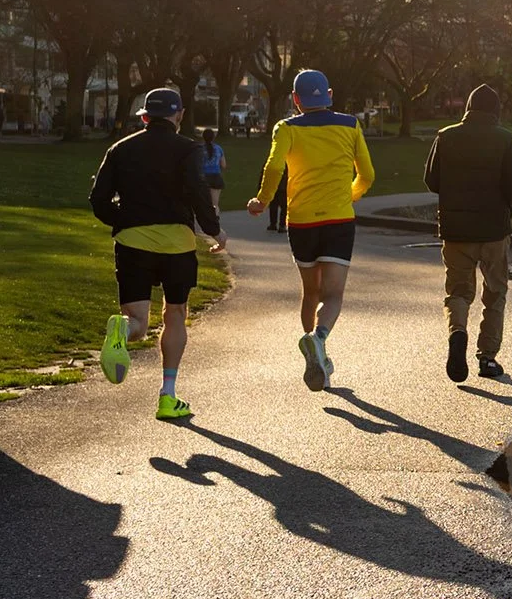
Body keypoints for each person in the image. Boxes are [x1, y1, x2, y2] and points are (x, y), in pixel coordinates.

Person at [89, 87, 225, 420]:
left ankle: (121, 331)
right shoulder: (188, 149)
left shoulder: (120, 148)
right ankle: (168, 396)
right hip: (177, 244)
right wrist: (214, 230)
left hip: (132, 242)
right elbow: (197, 192)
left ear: (146, 117)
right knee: (174, 314)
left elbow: (98, 199)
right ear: (179, 116)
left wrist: (124, 220)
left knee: (137, 321)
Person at [247, 68, 375, 391]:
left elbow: (274, 166)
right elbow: (367, 175)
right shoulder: (350, 124)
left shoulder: (286, 128)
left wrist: (262, 200)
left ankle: (315, 353)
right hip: (338, 220)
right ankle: (319, 339)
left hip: (301, 221)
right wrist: (350, 195)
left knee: (311, 293)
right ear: (329, 95)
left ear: (295, 99)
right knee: (333, 296)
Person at [426, 82, 512, 382]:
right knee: (495, 293)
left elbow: (431, 180)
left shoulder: (445, 136)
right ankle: (487, 358)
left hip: (456, 231)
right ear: (496, 111)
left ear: (468, 108)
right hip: (494, 231)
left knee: (458, 291)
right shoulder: (506, 140)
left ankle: (458, 333)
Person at [199, 126, 226, 215]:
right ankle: (215, 219)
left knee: (203, 203)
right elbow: (223, 165)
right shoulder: (218, 149)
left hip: (203, 177)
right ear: (213, 137)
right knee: (215, 204)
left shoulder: (199, 149)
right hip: (216, 177)